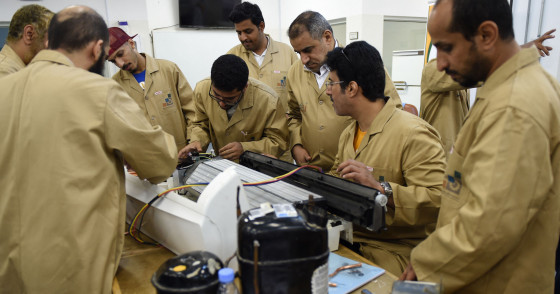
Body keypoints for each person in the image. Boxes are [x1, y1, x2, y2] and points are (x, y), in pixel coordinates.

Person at [0, 6, 178, 293]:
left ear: (49, 41)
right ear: (97, 49)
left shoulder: (4, 89)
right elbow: (159, 162)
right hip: (69, 269)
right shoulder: (98, 91)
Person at [400, 0, 560, 293]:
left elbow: (490, 225)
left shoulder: (513, 105)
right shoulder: (512, 89)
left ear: (487, 35)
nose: (442, 63)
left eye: (447, 48)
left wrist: (425, 266)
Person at [326, 41, 446, 276]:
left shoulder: (413, 134)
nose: (327, 91)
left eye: (331, 83)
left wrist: (382, 190)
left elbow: (438, 200)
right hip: (352, 236)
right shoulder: (349, 133)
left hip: (396, 249)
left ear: (351, 88)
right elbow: (336, 176)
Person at [286, 11, 402, 171]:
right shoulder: (294, 72)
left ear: (327, 37)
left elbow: (391, 112)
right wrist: (296, 144)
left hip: (355, 170)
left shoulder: (358, 63)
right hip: (311, 169)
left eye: (308, 50)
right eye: (298, 53)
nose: (304, 60)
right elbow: (293, 115)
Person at [420, 29, 555, 159]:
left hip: (453, 157)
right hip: (436, 157)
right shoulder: (434, 70)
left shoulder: (460, 81)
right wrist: (521, 49)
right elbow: (479, 70)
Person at [178, 54, 288, 161]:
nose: (221, 104)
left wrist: (245, 149)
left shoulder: (269, 100)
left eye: (229, 99)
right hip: (222, 165)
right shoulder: (202, 89)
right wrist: (197, 141)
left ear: (245, 87)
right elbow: (201, 125)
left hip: (255, 168)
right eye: (216, 96)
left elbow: (278, 142)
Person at [107, 27, 195, 150]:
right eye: (113, 61)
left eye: (120, 54)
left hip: (181, 153)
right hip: (146, 158)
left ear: (132, 44)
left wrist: (193, 140)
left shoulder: (168, 69)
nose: (120, 64)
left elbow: (192, 111)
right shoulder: (115, 85)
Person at [227, 1, 298, 112]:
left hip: (281, 126)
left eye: (248, 31)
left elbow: (299, 92)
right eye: (239, 33)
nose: (243, 37)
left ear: (261, 26)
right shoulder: (231, 57)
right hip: (247, 127)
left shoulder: (287, 53)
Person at [0, 4, 53, 78]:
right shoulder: (5, 72)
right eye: (49, 40)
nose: (52, 49)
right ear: (29, 34)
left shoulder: (17, 70)